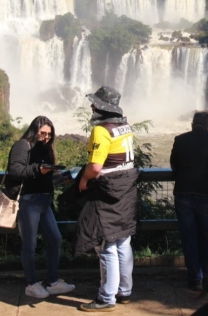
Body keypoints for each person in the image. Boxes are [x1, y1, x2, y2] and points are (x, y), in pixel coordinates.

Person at [76, 86, 139, 312]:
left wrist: (84, 179)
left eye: (95, 103)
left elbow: (95, 167)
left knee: (105, 243)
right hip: (126, 189)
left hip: (108, 190)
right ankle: (124, 290)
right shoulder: (125, 127)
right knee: (123, 239)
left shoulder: (101, 131)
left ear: (102, 107)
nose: (92, 106)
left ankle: (106, 298)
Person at [5, 115, 75, 299]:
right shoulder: (23, 145)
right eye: (42, 133)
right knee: (30, 244)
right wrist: (37, 169)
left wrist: (61, 178)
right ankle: (31, 284)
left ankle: (52, 282)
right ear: (34, 130)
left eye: (49, 135)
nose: (45, 137)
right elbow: (15, 170)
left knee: (55, 239)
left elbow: (46, 178)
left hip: (44, 202)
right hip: (28, 201)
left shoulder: (45, 149)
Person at [170, 111, 208, 292]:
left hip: (183, 193)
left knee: (188, 236)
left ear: (192, 124)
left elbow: (174, 165)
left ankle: (195, 278)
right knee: (207, 236)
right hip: (206, 193)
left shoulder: (180, 140)